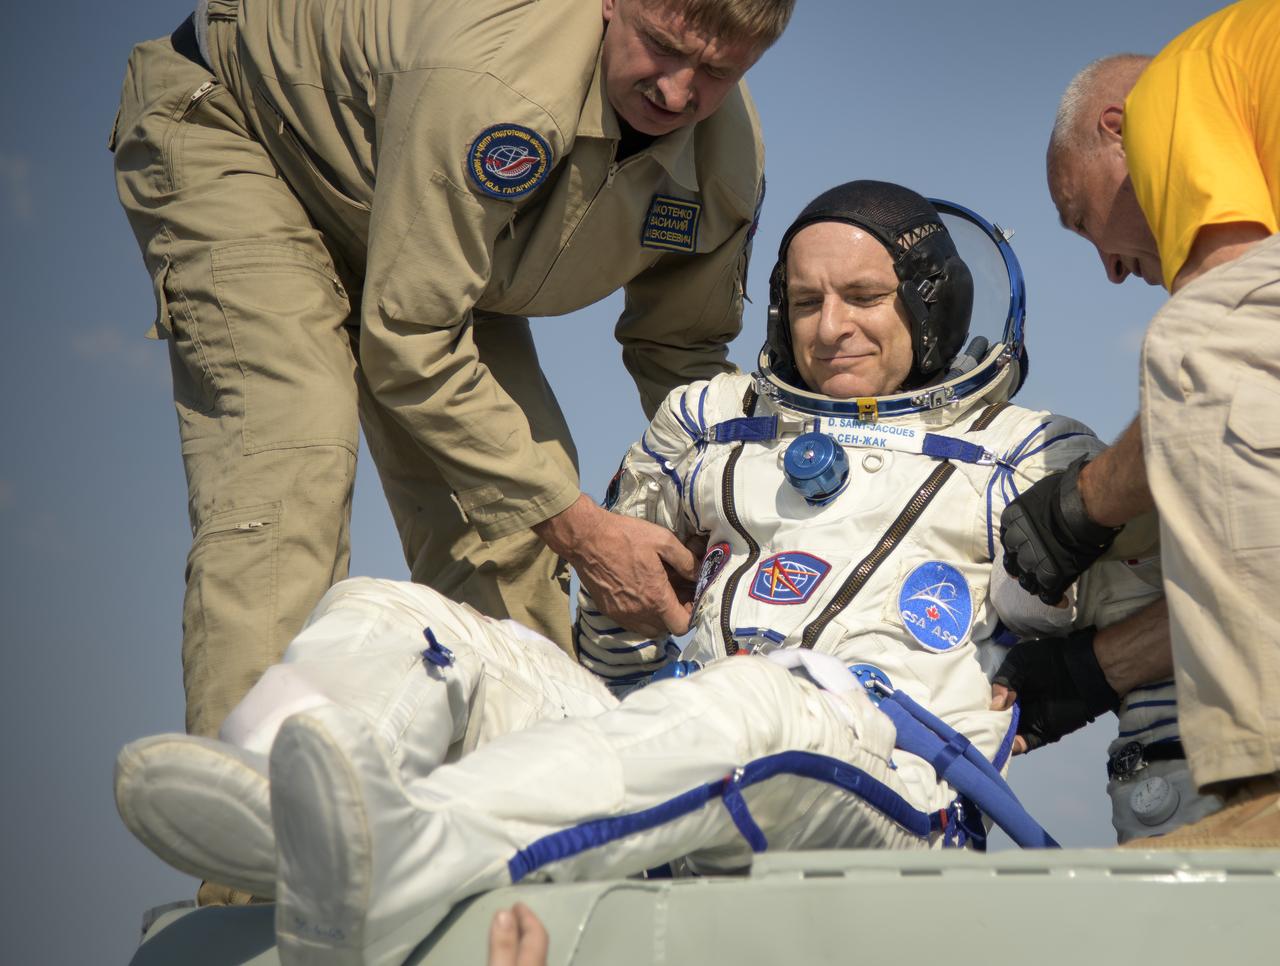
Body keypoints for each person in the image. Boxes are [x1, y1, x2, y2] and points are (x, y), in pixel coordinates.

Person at [115, 182, 1164, 964]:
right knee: (397, 614)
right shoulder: (707, 426)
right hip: (681, 731)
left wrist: (1142, 804)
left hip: (890, 776)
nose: (828, 326)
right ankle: (277, 805)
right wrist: (631, 607)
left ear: (931, 302)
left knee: (766, 694)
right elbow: (616, 636)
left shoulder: (1034, 457)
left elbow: (1161, 643)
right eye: (802, 302)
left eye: (862, 297)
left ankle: (410, 855)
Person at [110, 0, 791, 749]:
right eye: (660, 47)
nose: (676, 92)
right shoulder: (495, 81)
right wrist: (588, 533)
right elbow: (409, 340)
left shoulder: (724, 167)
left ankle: (518, 835)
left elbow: (683, 356)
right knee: (293, 464)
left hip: (441, 243)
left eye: (718, 72)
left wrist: (759, 513)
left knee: (520, 526)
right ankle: (253, 838)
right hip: (248, 131)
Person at [998, 0, 1280, 847]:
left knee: (1190, 340)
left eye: (1081, 218)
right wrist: (1097, 668)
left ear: (1117, 129)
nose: (1111, 268)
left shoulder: (1185, 84)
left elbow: (1223, 350)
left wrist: (1080, 505)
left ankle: (1263, 786)